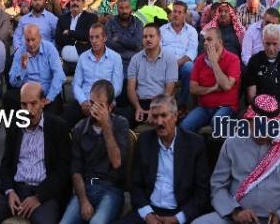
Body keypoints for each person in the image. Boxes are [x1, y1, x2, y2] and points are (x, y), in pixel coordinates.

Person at [193, 94, 280, 224]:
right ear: (249, 121)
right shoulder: (233, 142)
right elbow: (218, 185)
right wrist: (235, 212)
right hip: (236, 217)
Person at [0, 82, 71, 224]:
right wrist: (9, 191)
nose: (28, 110)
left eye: (33, 103)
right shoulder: (15, 125)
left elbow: (62, 172)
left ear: (43, 102)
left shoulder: (58, 127)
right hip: (16, 190)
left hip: (43, 192)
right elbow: (5, 165)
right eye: (24, 104)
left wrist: (39, 197)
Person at [116, 94, 210, 224]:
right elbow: (136, 184)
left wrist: (178, 219)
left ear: (175, 116)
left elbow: (202, 192)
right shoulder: (144, 141)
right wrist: (147, 215)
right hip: (149, 210)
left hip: (179, 213)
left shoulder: (194, 144)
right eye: (155, 117)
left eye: (164, 116)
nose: (159, 122)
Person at [59, 80, 129, 224]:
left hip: (111, 189)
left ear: (110, 107)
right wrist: (83, 200)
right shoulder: (79, 128)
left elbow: (116, 162)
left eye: (100, 105)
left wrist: (106, 126)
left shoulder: (120, 124)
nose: (94, 109)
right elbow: (76, 171)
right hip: (85, 189)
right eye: (92, 103)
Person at [63, 23, 124, 128]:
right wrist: (83, 102)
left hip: (106, 103)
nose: (94, 41)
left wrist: (101, 102)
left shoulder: (115, 58)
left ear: (104, 38)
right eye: (91, 37)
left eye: (97, 37)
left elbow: (117, 87)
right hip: (85, 102)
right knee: (63, 121)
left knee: (119, 122)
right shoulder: (83, 57)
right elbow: (76, 84)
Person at [181, 28, 241, 133]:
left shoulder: (233, 59)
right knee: (184, 127)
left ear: (220, 42)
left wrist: (214, 62)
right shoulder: (200, 60)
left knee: (217, 122)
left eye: (209, 39)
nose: (205, 43)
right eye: (204, 40)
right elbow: (193, 89)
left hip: (226, 106)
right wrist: (212, 89)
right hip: (204, 108)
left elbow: (226, 86)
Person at [124, 23, 177, 127]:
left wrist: (156, 109)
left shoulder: (170, 58)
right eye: (145, 37)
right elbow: (130, 87)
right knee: (123, 121)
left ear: (159, 38)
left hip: (162, 102)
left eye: (151, 36)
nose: (148, 39)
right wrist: (137, 107)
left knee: (168, 120)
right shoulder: (135, 59)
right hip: (141, 102)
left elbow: (170, 87)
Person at [244, 24, 280, 118]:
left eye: (274, 44)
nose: (271, 48)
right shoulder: (254, 61)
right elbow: (251, 94)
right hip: (259, 107)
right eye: (268, 44)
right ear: (262, 42)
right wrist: (265, 111)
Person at [6, 25, 66, 112]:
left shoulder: (49, 48)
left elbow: (59, 75)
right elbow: (13, 83)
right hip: (27, 93)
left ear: (40, 38)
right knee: (8, 98)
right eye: (27, 40)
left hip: (46, 92)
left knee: (51, 110)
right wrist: (22, 69)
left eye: (33, 40)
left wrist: (50, 97)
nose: (30, 44)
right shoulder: (20, 51)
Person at [160, 1, 198, 111]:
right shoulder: (162, 29)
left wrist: (176, 63)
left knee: (189, 67)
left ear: (185, 14)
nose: (176, 14)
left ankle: (181, 105)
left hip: (182, 64)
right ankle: (161, 105)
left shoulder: (191, 31)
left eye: (179, 12)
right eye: (174, 11)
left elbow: (192, 52)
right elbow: (158, 49)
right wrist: (169, 64)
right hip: (164, 64)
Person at [55, 0, 99, 65]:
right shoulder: (62, 18)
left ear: (83, 3)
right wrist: (78, 40)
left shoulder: (91, 18)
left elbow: (88, 36)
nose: (74, 3)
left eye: (78, 0)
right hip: (64, 62)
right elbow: (58, 39)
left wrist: (69, 33)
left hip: (84, 62)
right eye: (72, 0)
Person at [105, 0, 144, 75]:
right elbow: (108, 44)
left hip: (134, 62)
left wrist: (119, 38)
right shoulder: (110, 23)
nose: (124, 11)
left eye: (127, 7)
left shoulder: (138, 23)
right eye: (121, 8)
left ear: (131, 8)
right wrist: (130, 44)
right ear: (117, 9)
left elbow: (137, 43)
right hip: (114, 62)